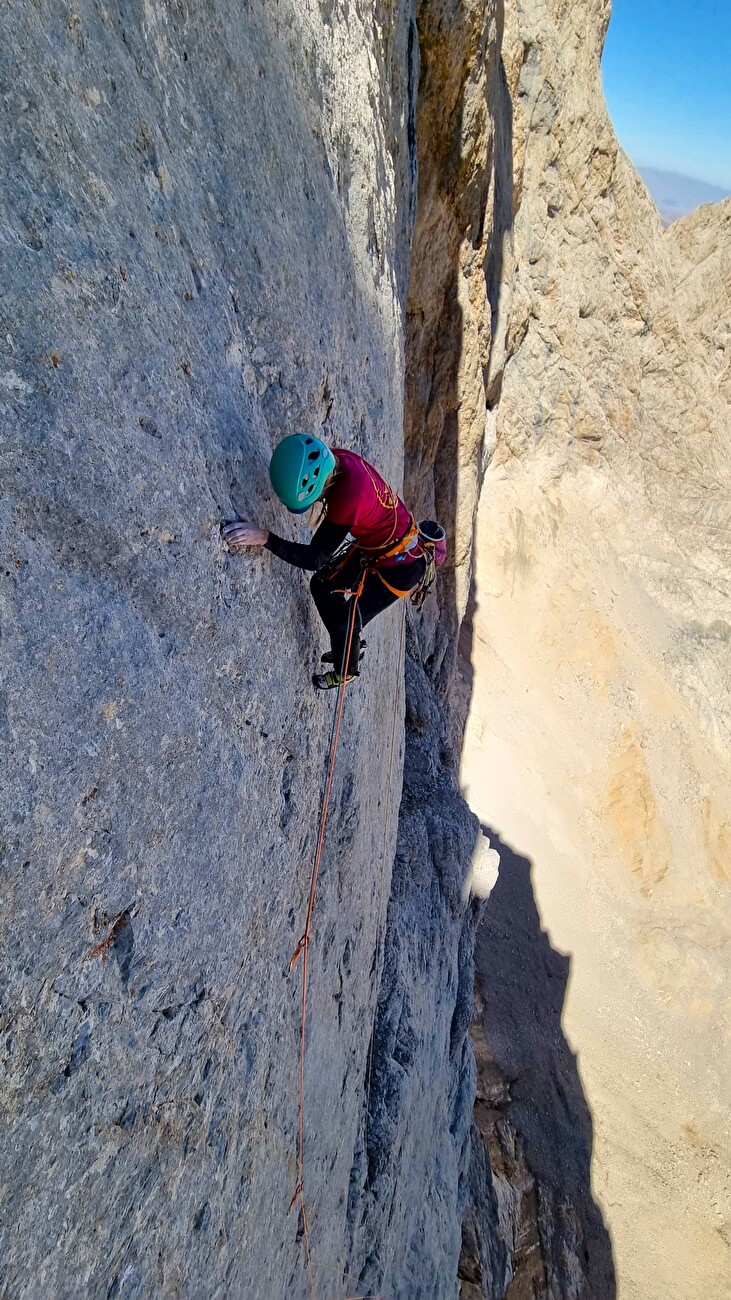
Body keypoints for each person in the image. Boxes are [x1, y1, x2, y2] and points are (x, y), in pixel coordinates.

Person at [222, 435, 446, 690]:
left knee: (347, 619)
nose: (316, 503)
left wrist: (264, 538)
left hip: (403, 568)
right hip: (380, 545)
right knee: (322, 586)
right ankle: (349, 645)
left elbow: (315, 557)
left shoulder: (348, 498)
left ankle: (345, 671)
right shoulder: (336, 461)